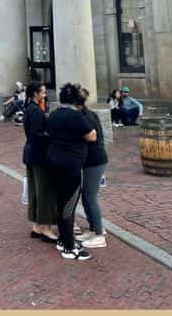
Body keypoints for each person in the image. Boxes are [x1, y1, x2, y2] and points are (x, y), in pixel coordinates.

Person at [45, 83, 97, 261]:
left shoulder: (54, 114)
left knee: (60, 202)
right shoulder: (75, 116)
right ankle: (68, 246)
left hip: (53, 161)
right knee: (69, 204)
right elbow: (92, 135)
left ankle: (63, 238)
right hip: (71, 165)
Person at [22, 83, 57, 244]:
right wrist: (52, 137)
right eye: (42, 92)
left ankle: (37, 225)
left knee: (35, 189)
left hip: (31, 154)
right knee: (44, 191)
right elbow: (37, 135)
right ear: (35, 94)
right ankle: (45, 227)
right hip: (39, 155)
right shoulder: (35, 111)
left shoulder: (30, 108)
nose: (44, 94)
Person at [77, 87, 108, 249]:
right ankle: (92, 227)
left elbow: (90, 138)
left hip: (94, 160)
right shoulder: (88, 114)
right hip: (92, 160)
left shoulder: (84, 117)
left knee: (90, 196)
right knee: (86, 195)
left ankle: (99, 233)